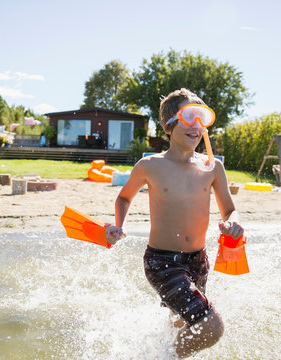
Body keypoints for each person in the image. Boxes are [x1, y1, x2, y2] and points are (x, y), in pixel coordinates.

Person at [106, 88, 244, 358]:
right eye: (189, 117)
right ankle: (167, 356)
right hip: (161, 261)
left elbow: (230, 210)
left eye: (201, 118)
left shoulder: (212, 167)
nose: (197, 126)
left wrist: (234, 224)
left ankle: (162, 349)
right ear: (169, 127)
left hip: (198, 261)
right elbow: (123, 198)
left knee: (181, 321)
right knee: (211, 327)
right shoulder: (150, 166)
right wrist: (118, 226)